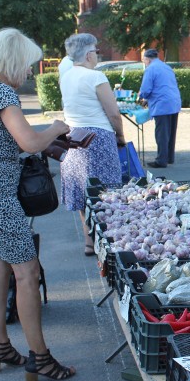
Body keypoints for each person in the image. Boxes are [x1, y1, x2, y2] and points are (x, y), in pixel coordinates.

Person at [0, 28, 75, 381]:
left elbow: (8, 138)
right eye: (27, 65)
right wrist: (56, 128)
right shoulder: (1, 93)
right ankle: (39, 357)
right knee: (26, 274)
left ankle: (1, 347)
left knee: (0, 268)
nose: (29, 71)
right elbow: (28, 142)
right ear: (12, 61)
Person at [59, 33, 125, 256]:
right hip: (98, 138)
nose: (97, 55)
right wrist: (121, 136)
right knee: (106, 190)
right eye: (96, 51)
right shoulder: (96, 77)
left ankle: (90, 240)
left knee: (81, 191)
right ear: (88, 55)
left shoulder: (65, 76)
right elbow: (113, 113)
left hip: (74, 137)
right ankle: (107, 239)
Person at [138, 48, 181, 168]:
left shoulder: (150, 69)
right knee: (171, 132)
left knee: (162, 133)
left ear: (147, 59)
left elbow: (146, 90)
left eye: (144, 60)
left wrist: (142, 97)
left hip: (162, 104)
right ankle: (169, 157)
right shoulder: (166, 67)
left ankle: (161, 160)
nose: (144, 62)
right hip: (174, 101)